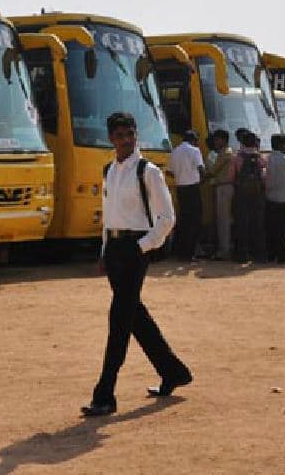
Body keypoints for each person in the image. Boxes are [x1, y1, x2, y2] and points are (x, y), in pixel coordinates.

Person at [82, 111, 192, 417]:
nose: (126, 140)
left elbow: (167, 218)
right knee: (134, 317)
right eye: (119, 135)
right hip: (115, 248)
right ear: (111, 139)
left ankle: (105, 394)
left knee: (118, 321)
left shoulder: (148, 171)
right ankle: (173, 371)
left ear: (135, 135)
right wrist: (105, 251)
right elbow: (109, 216)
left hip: (135, 249)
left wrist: (142, 246)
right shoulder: (109, 171)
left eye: (130, 134)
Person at [169, 130, 205, 262]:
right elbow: (201, 169)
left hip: (181, 189)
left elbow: (169, 172)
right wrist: (201, 180)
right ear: (193, 140)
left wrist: (180, 176)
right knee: (194, 222)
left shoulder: (175, 151)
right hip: (193, 188)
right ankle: (190, 254)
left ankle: (181, 253)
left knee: (183, 221)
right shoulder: (195, 151)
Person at [232, 132, 267, 263]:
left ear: (242, 143)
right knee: (258, 224)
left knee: (242, 224)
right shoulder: (262, 158)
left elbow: (231, 177)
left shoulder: (236, 158)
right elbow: (265, 178)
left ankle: (242, 255)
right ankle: (259, 255)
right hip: (258, 195)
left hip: (241, 195)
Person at [265, 133, 285, 263]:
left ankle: (272, 253)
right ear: (283, 145)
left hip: (270, 197)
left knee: (273, 227)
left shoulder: (266, 159)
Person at [209, 130, 235, 260]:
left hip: (224, 187)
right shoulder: (226, 153)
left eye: (217, 139)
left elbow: (213, 171)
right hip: (225, 187)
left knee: (223, 220)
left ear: (223, 140)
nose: (215, 142)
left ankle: (224, 250)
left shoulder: (225, 153)